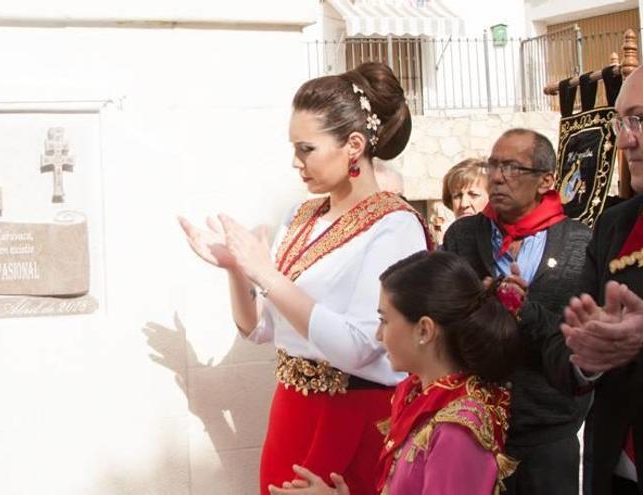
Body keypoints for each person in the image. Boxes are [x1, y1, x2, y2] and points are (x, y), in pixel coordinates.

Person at [179, 62, 430, 495]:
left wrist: (269, 276)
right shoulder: (302, 216)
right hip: (291, 412)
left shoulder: (396, 226)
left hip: (352, 417)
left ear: (354, 145)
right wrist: (238, 270)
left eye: (306, 149)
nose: (296, 163)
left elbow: (358, 346)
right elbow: (258, 327)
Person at [268, 250, 520, 495]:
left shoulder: (457, 432)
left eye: (385, 320)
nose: (379, 335)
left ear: (424, 330)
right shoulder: (420, 397)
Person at [442, 128, 592, 494]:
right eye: (493, 165)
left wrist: (524, 311)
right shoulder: (462, 237)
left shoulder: (580, 243)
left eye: (512, 167)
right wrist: (482, 306)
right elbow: (445, 317)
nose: (497, 176)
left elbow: (580, 337)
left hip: (548, 431)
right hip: (473, 427)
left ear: (546, 181)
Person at [540, 65, 643, 494]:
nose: (624, 139)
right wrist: (588, 356)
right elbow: (562, 347)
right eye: (622, 121)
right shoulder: (614, 226)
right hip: (614, 471)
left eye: (638, 119)